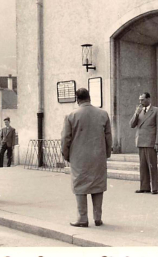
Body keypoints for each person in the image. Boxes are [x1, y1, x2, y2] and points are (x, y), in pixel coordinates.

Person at [61, 88, 112, 228]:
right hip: (98, 156)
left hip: (79, 157)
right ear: (89, 97)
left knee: (80, 186)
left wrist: (66, 154)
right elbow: (108, 137)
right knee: (98, 185)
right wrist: (106, 153)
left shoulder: (71, 115)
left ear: (77, 99)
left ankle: (82, 218)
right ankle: (98, 218)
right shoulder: (103, 114)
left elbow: (66, 138)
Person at [129, 92, 158, 195]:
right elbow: (131, 125)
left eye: (142, 100)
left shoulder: (156, 111)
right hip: (141, 142)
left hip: (151, 142)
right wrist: (136, 113)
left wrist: (157, 142)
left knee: (152, 166)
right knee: (142, 166)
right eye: (140, 100)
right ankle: (144, 187)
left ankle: (154, 188)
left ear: (149, 99)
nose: (140, 102)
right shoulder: (139, 111)